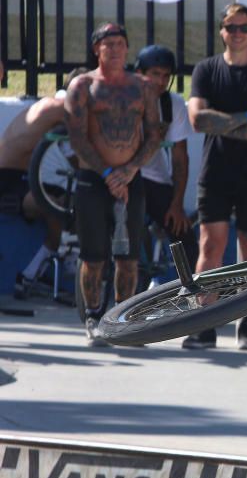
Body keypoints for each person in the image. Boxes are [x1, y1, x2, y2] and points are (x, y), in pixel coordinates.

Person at [185, 3, 247, 350]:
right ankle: (204, 323)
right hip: (215, 171)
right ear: (222, 31)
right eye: (231, 27)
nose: (238, 33)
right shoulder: (206, 70)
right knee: (210, 246)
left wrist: (226, 120)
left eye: (244, 27)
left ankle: (246, 324)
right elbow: (198, 120)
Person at [65, 23, 164, 346]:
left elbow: (153, 134)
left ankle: (123, 320)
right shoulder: (83, 86)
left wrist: (131, 169)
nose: (116, 49)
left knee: (128, 256)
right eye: (108, 44)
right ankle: (93, 316)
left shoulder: (143, 87)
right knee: (94, 256)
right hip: (95, 179)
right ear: (97, 49)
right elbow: (78, 138)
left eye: (121, 43)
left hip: (131, 179)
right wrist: (108, 174)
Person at [0, 68, 87, 297]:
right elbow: (76, 153)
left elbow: (69, 152)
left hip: (17, 178)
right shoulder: (60, 109)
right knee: (58, 206)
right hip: (7, 182)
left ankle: (47, 262)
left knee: (63, 199)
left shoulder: (51, 106)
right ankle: (33, 273)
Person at [133, 45, 199, 271]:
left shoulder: (173, 103)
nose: (160, 82)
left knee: (184, 234)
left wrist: (177, 203)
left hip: (154, 178)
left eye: (166, 76)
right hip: (122, 176)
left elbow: (180, 158)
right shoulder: (122, 98)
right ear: (139, 73)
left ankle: (196, 296)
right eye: (155, 74)